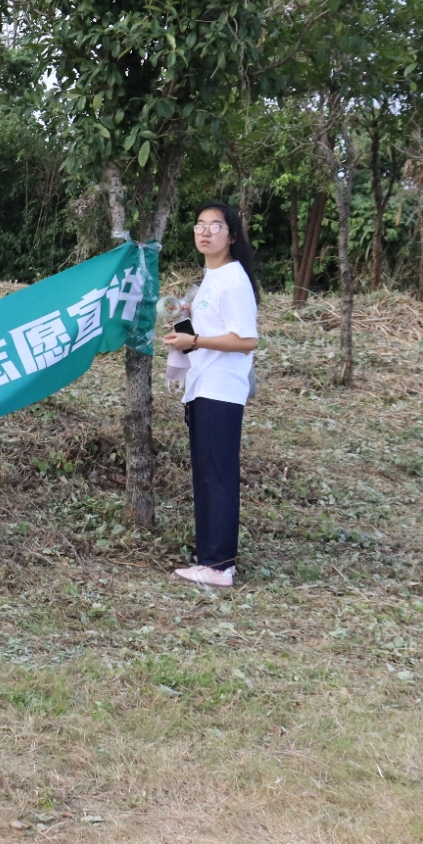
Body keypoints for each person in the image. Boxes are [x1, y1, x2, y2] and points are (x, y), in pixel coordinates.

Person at [164, 202, 261, 589]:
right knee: (207, 474)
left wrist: (196, 339)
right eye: (200, 225)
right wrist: (187, 324)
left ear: (232, 236)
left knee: (217, 475)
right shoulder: (212, 278)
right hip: (203, 386)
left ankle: (219, 565)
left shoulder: (233, 279)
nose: (205, 232)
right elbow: (210, 331)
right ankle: (210, 558)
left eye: (215, 226)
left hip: (221, 389)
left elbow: (246, 339)